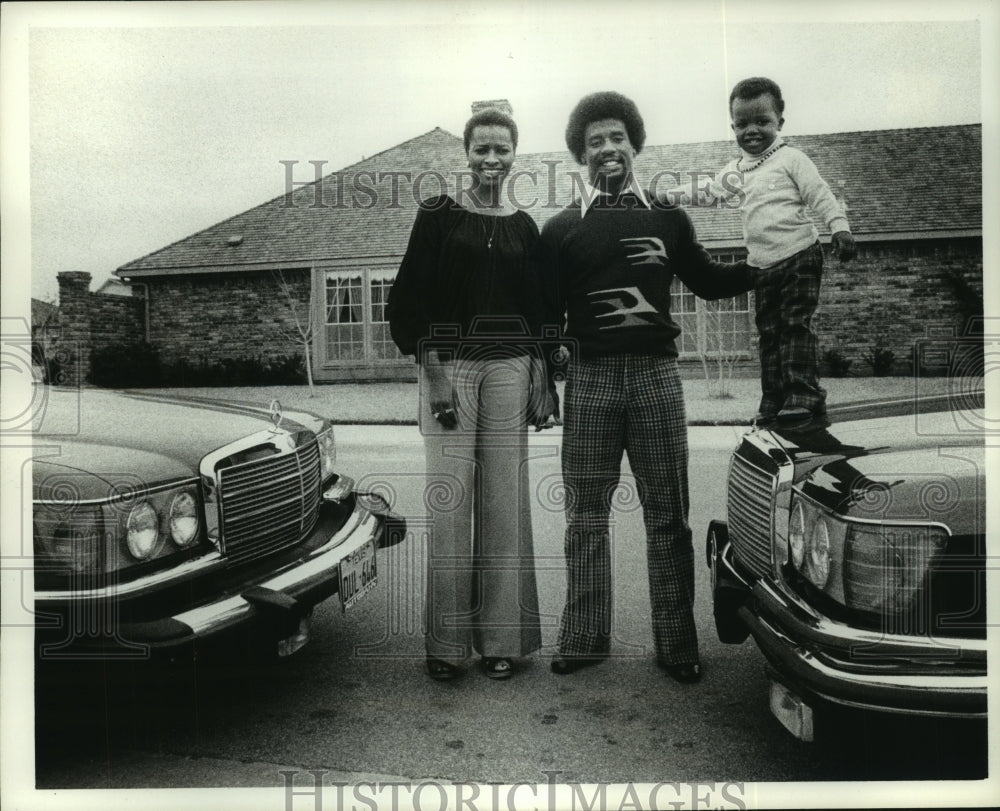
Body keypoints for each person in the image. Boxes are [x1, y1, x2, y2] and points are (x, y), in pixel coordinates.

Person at [535, 91, 757, 684]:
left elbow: (708, 281)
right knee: (585, 515)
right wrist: (545, 381)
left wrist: (770, 262)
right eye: (594, 142)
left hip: (657, 378)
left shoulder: (667, 217)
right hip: (589, 383)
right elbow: (543, 315)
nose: (606, 149)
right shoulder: (559, 231)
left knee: (668, 515)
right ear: (580, 155)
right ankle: (583, 639)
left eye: (616, 138)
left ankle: (677, 643)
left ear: (634, 145)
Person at [387, 107, 556, 682]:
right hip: (450, 370)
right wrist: (433, 377)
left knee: (506, 508)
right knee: (453, 508)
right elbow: (409, 301)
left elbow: (537, 312)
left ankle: (503, 640)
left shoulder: (525, 227)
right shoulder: (439, 216)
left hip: (510, 371)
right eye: (481, 149)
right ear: (467, 154)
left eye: (501, 149)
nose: (491, 159)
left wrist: (542, 379)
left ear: (515, 154)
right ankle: (447, 646)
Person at [670, 77, 856, 423]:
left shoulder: (792, 159)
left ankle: (804, 394)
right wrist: (666, 197)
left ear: (779, 123)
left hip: (800, 253)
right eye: (742, 124)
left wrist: (839, 226)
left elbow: (819, 193)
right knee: (768, 333)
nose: (751, 130)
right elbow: (709, 191)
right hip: (762, 266)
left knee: (794, 324)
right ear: (733, 127)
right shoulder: (737, 171)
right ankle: (773, 399)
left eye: (762, 121)